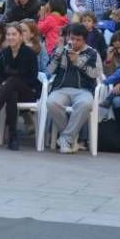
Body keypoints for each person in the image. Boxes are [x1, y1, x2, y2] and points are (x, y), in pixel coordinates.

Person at [0, 22, 41, 148]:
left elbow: (32, 78)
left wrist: (12, 80)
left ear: (20, 36)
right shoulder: (4, 53)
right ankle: (13, 138)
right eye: (8, 34)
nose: (10, 37)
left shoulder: (29, 53)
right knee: (12, 93)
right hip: (9, 92)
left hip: (28, 91)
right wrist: (9, 82)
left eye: (14, 34)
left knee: (13, 82)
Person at [46, 23, 99, 153]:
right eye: (72, 38)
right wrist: (58, 52)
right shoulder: (61, 50)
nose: (74, 42)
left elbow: (95, 75)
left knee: (85, 104)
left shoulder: (92, 53)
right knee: (51, 103)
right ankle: (70, 138)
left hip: (83, 90)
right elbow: (49, 70)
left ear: (84, 40)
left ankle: (65, 138)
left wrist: (78, 62)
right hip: (61, 88)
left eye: (78, 40)